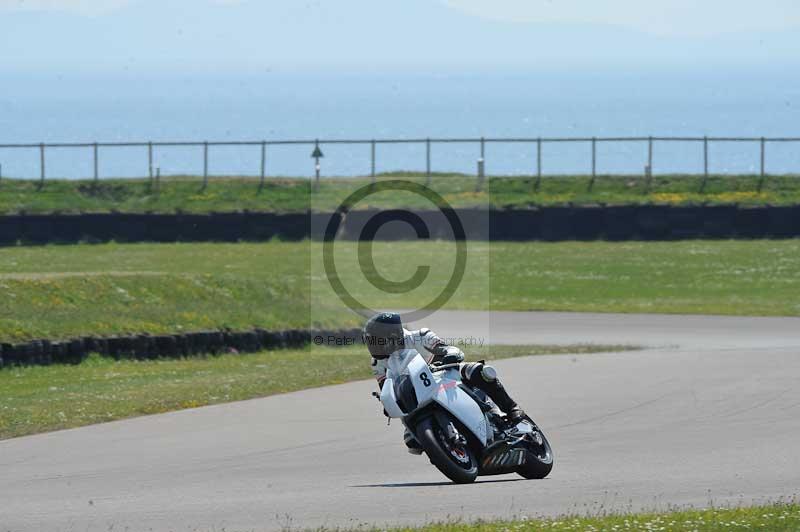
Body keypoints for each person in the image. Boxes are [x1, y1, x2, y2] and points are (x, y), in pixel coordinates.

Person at [364, 312, 525, 454]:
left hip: (444, 373)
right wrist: (387, 402)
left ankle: (511, 408)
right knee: (412, 440)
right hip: (414, 392)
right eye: (371, 342)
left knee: (478, 370)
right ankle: (442, 442)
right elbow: (385, 385)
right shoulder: (377, 363)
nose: (373, 346)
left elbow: (446, 348)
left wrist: (450, 354)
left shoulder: (420, 336)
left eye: (377, 341)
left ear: (392, 335)